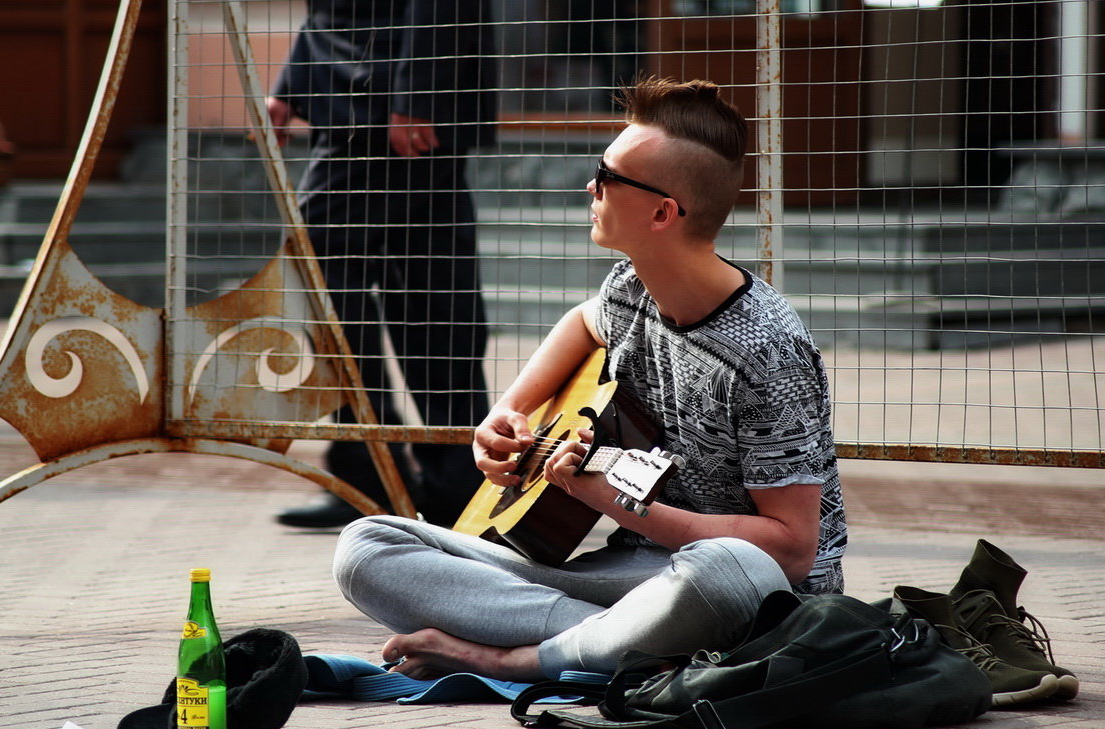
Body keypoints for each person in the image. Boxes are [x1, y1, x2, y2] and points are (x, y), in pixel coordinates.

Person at [333, 77, 848, 682]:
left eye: (608, 176)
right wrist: (509, 411)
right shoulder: (631, 285)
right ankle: (628, 644)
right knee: (367, 548)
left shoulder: (767, 353)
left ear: (662, 212)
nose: (591, 186)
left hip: (740, 588)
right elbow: (584, 322)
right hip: (633, 577)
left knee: (723, 573)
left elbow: (791, 549)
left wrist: (620, 504)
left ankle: (513, 656)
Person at [266, 1, 498, 528]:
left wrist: (419, 94)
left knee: (325, 277)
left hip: (384, 103)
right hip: (364, 97)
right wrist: (293, 83)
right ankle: (446, 485)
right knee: (428, 286)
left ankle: (380, 479)